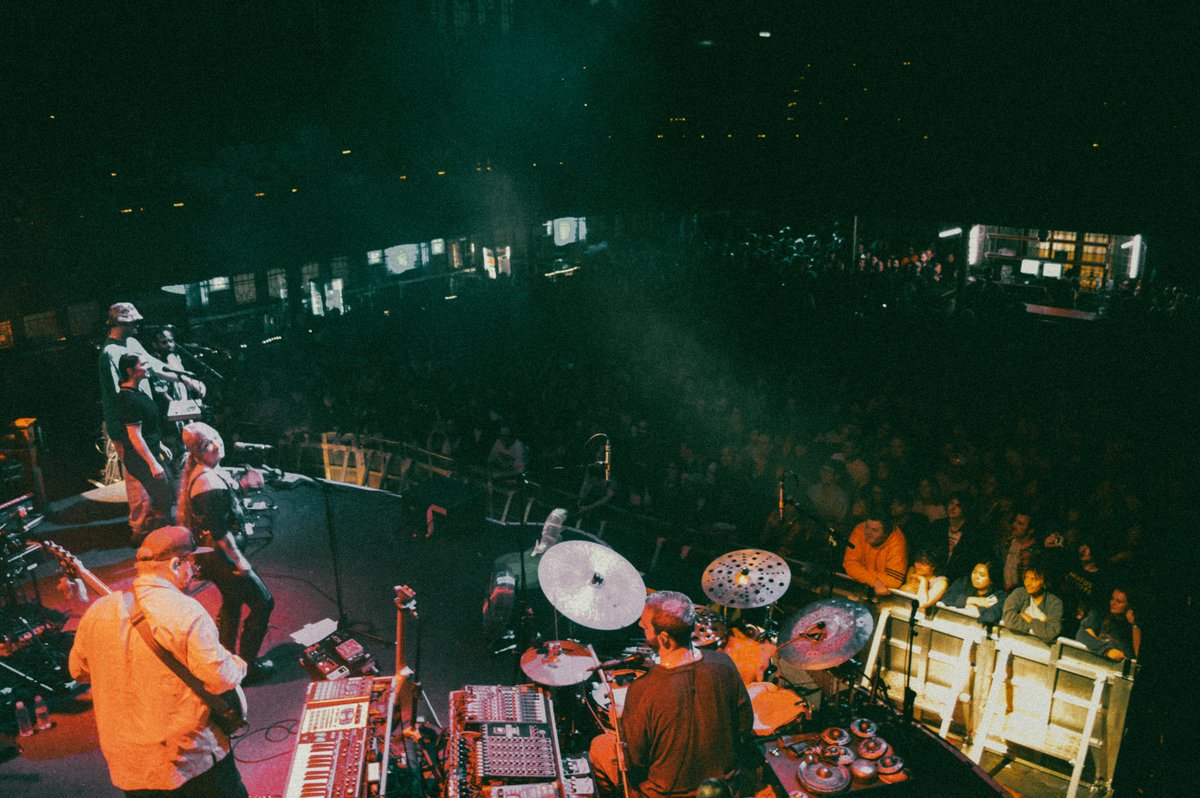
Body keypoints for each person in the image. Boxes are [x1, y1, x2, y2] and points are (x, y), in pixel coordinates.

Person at [68, 526, 249, 796]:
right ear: (177, 565)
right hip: (189, 760)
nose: (193, 574)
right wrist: (239, 664)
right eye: (193, 565)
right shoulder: (186, 611)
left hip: (131, 766)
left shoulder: (97, 612)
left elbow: (78, 671)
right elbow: (220, 678)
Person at [589, 590, 753, 798]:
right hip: (722, 786)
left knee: (600, 746)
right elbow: (744, 726)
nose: (640, 626)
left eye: (646, 626)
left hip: (666, 793)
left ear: (664, 639)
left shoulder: (642, 690)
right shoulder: (724, 663)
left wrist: (624, 722)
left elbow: (636, 762)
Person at [177, 422, 276, 684]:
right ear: (198, 452)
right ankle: (248, 667)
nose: (218, 444)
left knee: (232, 603)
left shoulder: (206, 473)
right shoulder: (207, 482)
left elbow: (222, 508)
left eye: (217, 437)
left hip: (214, 557)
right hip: (222, 558)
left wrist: (243, 485)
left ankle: (227, 661)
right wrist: (239, 561)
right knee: (263, 602)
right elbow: (220, 530)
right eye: (209, 443)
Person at [116, 353, 176, 538]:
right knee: (163, 497)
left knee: (168, 492)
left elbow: (148, 429)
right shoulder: (128, 400)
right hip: (139, 457)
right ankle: (159, 538)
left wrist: (159, 445)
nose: (148, 366)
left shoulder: (137, 392)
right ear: (130, 370)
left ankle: (161, 535)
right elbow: (135, 436)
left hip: (151, 450)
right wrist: (152, 463)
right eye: (144, 364)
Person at [842, 508, 908, 596]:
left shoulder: (898, 543)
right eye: (867, 527)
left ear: (886, 533)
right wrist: (875, 581)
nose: (867, 532)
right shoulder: (860, 529)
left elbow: (894, 581)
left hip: (884, 594)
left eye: (874, 530)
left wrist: (860, 572)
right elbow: (850, 565)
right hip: (859, 587)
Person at [1001, 563, 1064, 643]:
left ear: (1043, 582)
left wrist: (1028, 618)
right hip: (1015, 641)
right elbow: (1009, 619)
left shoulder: (1055, 603)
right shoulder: (1019, 593)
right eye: (1026, 578)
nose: (1028, 583)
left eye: (1033, 579)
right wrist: (1039, 626)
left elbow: (1051, 633)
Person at [1076, 587, 1140, 661]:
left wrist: (1135, 626)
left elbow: (1133, 656)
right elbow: (1082, 635)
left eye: (1118, 602)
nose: (1113, 603)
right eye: (1112, 599)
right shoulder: (1099, 615)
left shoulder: (1130, 628)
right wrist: (1107, 651)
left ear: (1129, 606)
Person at [941, 560, 1007, 625]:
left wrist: (976, 609)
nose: (976, 577)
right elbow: (946, 597)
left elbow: (991, 616)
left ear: (991, 580)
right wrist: (971, 600)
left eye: (982, 575)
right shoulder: (963, 583)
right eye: (974, 572)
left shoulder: (1000, 596)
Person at [898, 548, 948, 613]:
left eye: (924, 564)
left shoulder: (941, 582)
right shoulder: (913, 571)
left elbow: (921, 604)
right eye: (917, 562)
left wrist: (923, 581)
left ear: (933, 566)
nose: (918, 566)